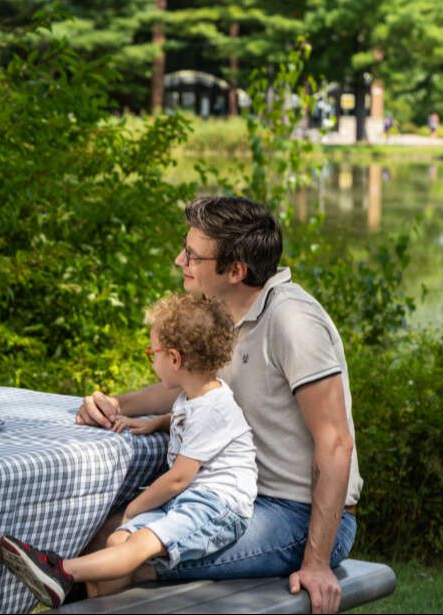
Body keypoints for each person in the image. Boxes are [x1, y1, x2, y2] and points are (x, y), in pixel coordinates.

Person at [76, 196, 362, 614]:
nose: (180, 260)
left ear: (236, 271)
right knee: (99, 534)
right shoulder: (222, 317)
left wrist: (317, 562)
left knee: (121, 561)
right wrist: (113, 403)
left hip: (297, 515)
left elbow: (335, 442)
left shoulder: (293, 322)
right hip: (231, 497)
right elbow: (186, 386)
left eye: (193, 255)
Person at [0, 293, 256, 608]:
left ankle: (61, 570)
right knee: (117, 540)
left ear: (175, 359)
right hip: (191, 499)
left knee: (137, 544)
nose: (152, 360)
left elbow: (179, 478)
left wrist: (135, 508)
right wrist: (156, 423)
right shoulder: (197, 394)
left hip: (218, 506)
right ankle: (87, 598)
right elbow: (187, 422)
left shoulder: (213, 408)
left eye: (153, 353)